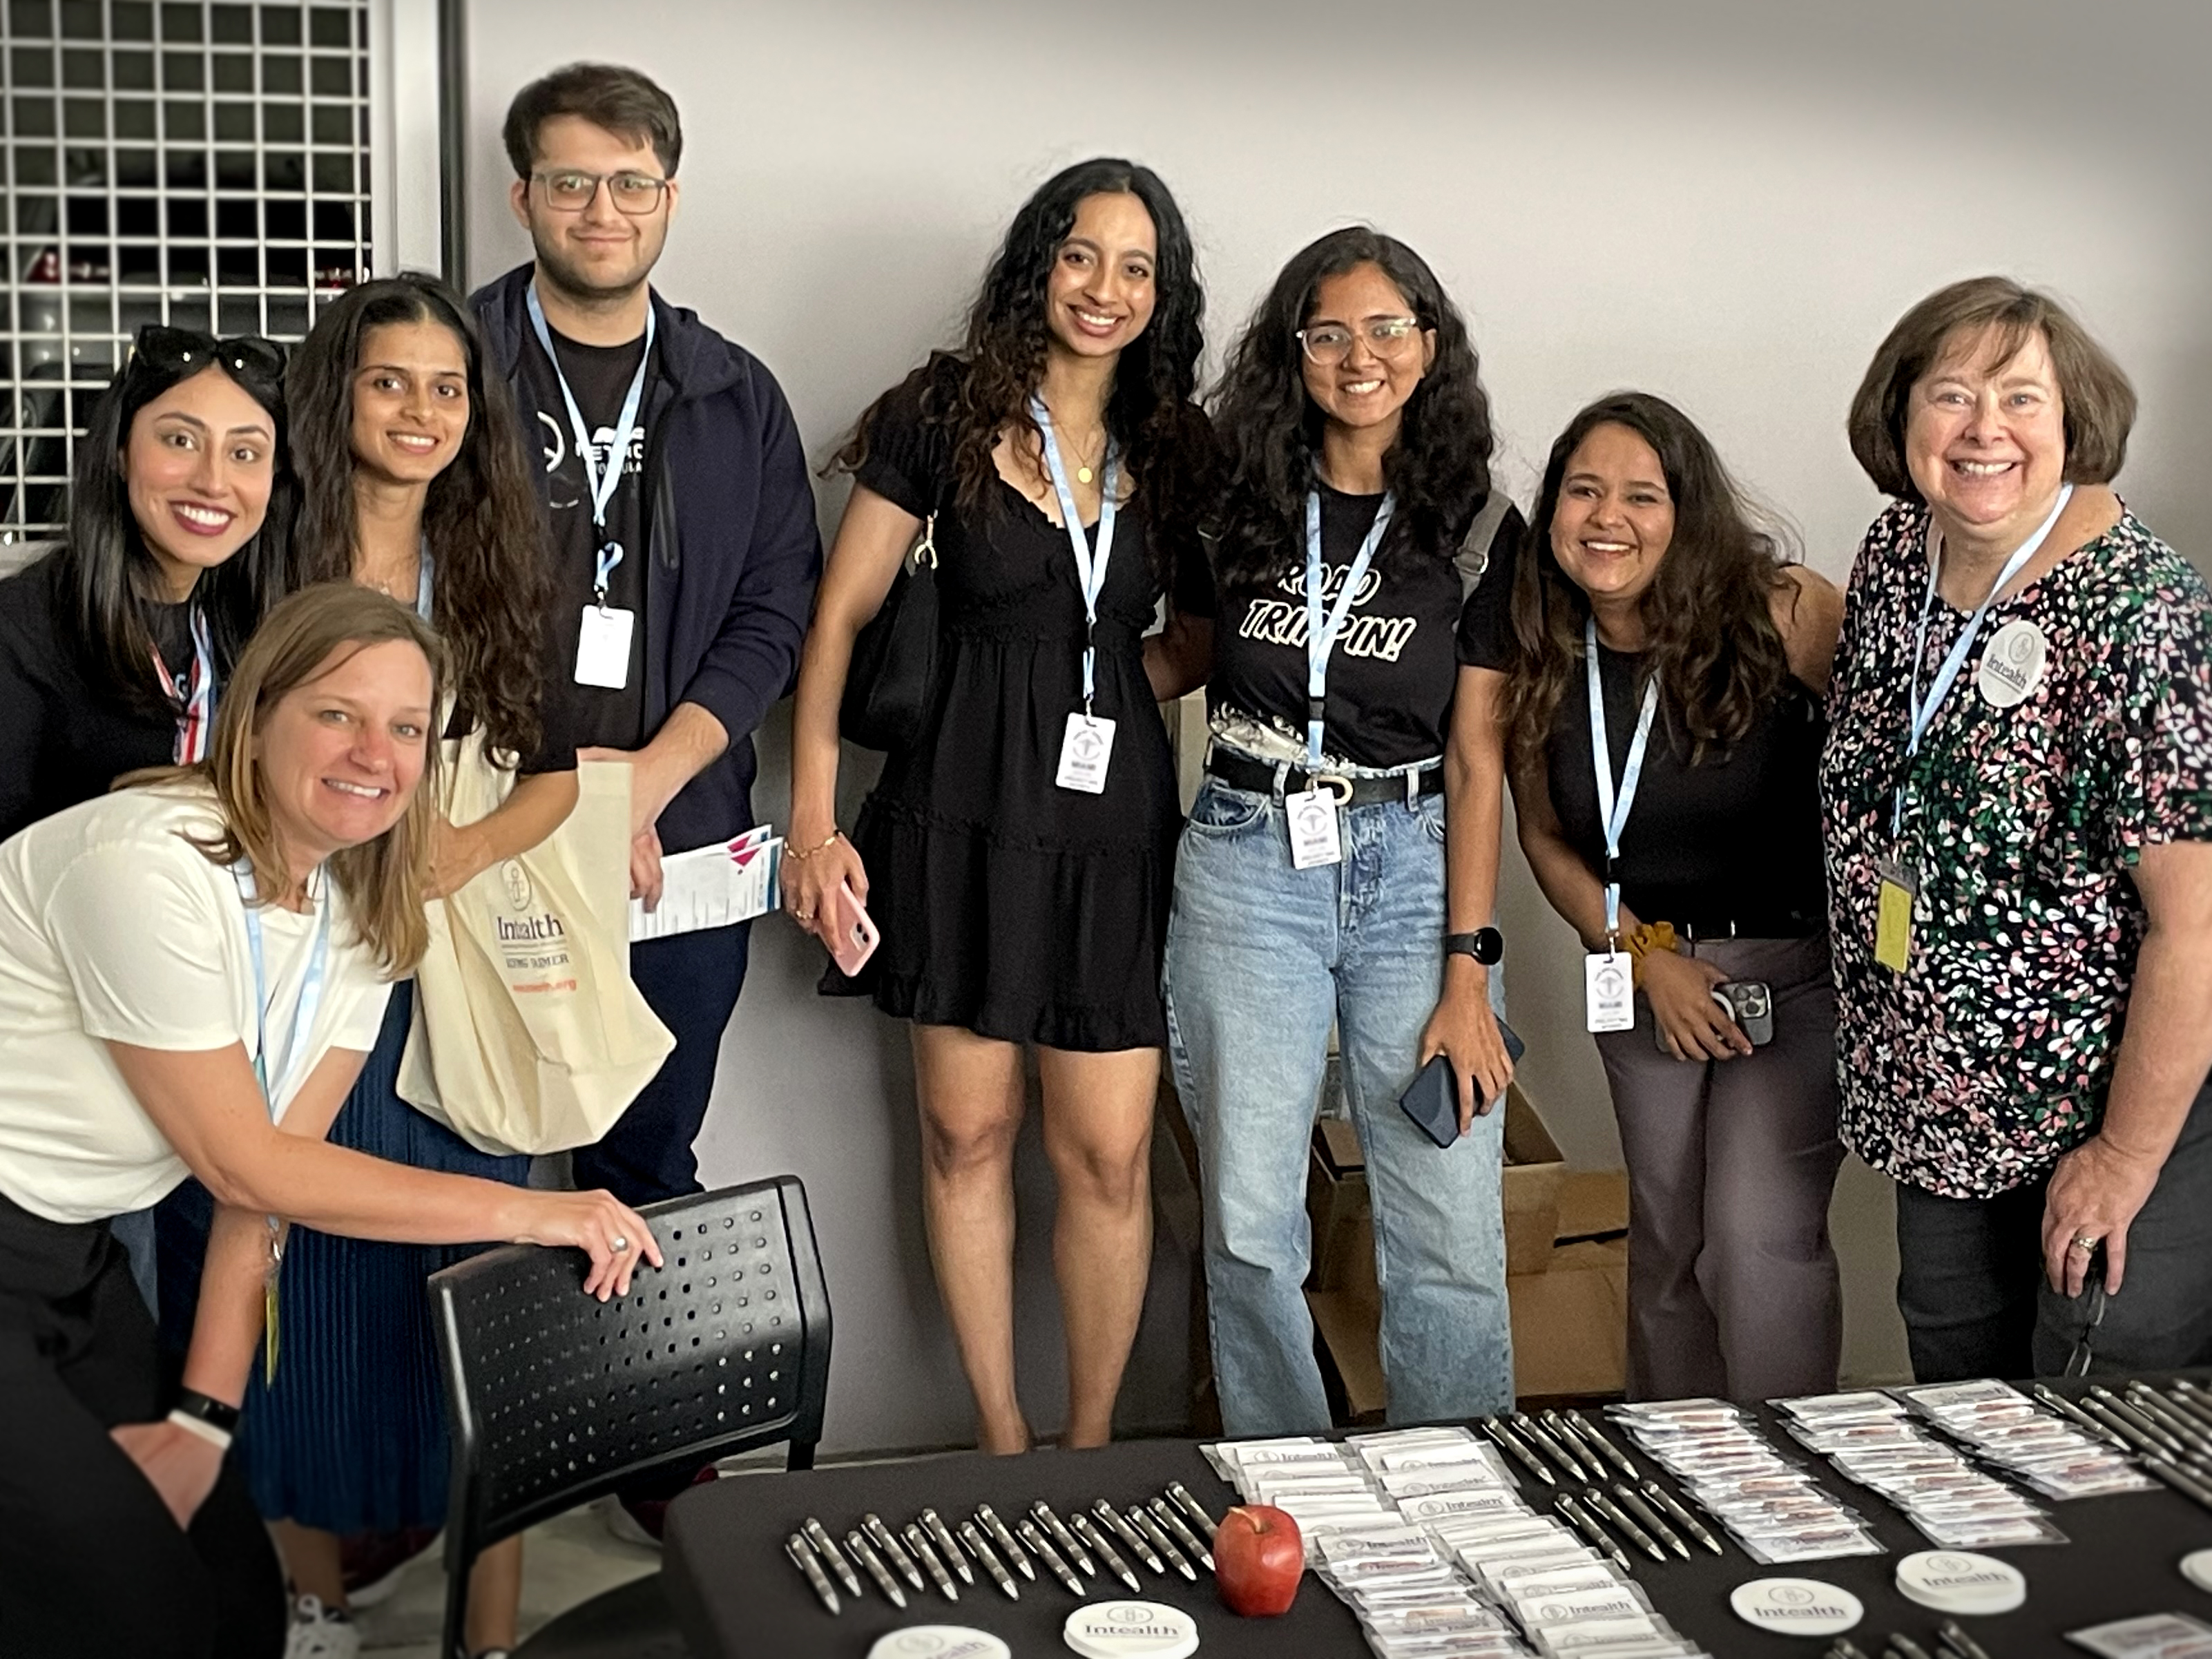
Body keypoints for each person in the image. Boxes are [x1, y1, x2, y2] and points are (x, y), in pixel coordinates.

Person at [0, 583, 656, 1659]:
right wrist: (539, 1214)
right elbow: (245, 1157)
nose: (375, 752)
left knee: (235, 1597)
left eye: (406, 727)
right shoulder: (147, 866)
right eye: (338, 713)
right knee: (132, 1606)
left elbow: (267, 1185)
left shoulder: (355, 906)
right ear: (259, 719)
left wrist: (203, 1422)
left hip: (71, 1258)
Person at [157, 274, 570, 1659]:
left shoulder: (500, 558)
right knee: (284, 1285)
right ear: (338, 395)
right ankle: (317, 1605)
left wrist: (451, 849)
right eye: (390, 381)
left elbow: (565, 778)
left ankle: (488, 1636)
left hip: (446, 988)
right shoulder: (258, 549)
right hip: (278, 968)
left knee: (476, 1308)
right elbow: (200, 752)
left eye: (447, 388)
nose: (420, 412)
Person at [784, 158, 1214, 1452]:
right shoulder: (943, 413)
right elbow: (836, 623)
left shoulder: (1176, 449)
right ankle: (1002, 1441)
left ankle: (1086, 1452)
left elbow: (1197, 636)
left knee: (1110, 1160)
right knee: (966, 1136)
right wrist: (813, 822)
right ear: (1038, 264)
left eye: (1136, 267)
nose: (1105, 288)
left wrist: (1086, 694)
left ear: (1163, 293)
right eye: (1081, 255)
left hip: (1109, 833)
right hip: (952, 816)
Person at [1161, 227, 1519, 1437]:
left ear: (1430, 343)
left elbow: (1479, 762)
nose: (1357, 357)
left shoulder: (1475, 521)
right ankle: (1291, 1482)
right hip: (1250, 856)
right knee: (1251, 1217)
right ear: (1292, 350)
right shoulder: (1238, 500)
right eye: (1328, 334)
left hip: (1414, 866)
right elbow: (1182, 651)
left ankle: (1462, 1484)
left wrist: (1470, 970)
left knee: (1448, 1218)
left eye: (1385, 330)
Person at [1823, 276, 2212, 1381]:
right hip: (1938, 1109)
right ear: (1901, 420)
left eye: (2021, 399)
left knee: (2087, 1433)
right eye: (1951, 395)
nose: (1983, 430)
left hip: (2105, 1116)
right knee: (1960, 1420)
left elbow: (2197, 928)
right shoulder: (1900, 556)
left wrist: (2125, 1157)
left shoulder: (2143, 615)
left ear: (2074, 420)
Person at [471, 63, 819, 1210]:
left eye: (632, 183)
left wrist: (644, 786)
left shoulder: (735, 395)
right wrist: (537, 801)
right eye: (572, 182)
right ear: (522, 196)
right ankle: (473, 1402)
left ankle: (617, 1400)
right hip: (478, 838)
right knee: (464, 1165)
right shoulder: (447, 370)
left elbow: (775, 614)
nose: (602, 211)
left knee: (648, 1176)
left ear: (671, 197)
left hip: (675, 849)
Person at [1505, 391, 1845, 1401]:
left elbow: (1889, 758)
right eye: (1584, 490)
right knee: (1665, 1238)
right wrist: (1644, 955)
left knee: (1755, 1238)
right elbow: (1544, 833)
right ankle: (1676, 1469)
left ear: (1687, 509)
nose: (1609, 517)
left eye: (1642, 495)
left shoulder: (1786, 611)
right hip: (1641, 970)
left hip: (1792, 979)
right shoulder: (1543, 648)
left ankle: (1787, 1480)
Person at [0, 326, 293, 1310]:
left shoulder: (244, 633)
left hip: (193, 1061)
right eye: (180, 439)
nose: (214, 477)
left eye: (246, 452)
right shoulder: (26, 629)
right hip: (49, 1096)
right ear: (119, 448)